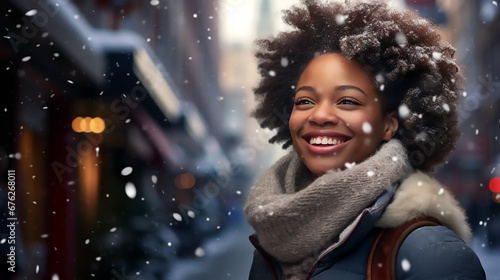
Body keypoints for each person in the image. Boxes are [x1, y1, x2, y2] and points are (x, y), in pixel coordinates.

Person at [243, 1, 486, 279]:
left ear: (388, 125)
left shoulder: (431, 255)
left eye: (347, 101)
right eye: (305, 100)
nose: (319, 115)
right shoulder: (271, 244)